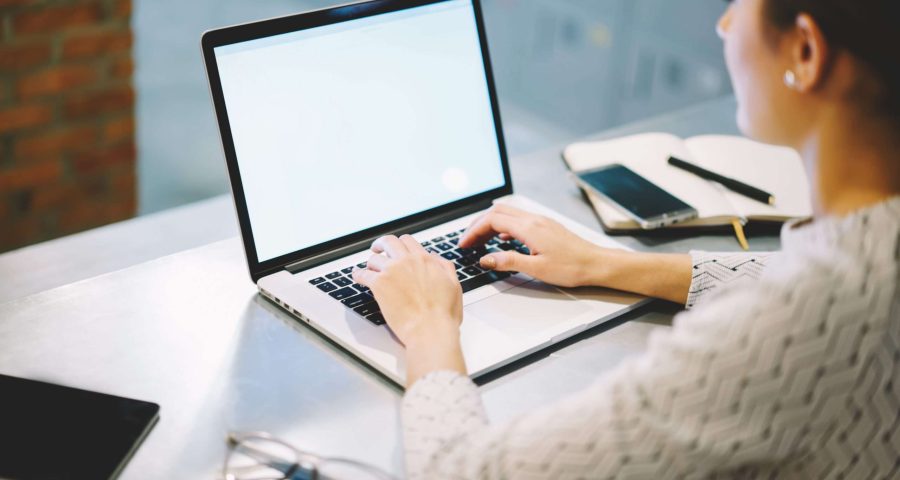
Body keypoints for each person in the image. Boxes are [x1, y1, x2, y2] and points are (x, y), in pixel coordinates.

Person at [351, 0, 900, 477]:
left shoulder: (795, 321)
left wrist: (428, 326)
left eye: (738, 5)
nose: (726, 25)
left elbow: (461, 472)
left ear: (806, 52)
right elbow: (780, 277)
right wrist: (606, 264)